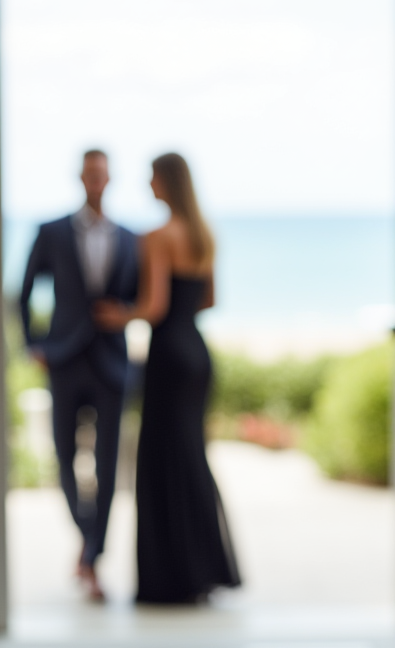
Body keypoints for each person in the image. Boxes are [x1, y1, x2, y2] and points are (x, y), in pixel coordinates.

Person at [94, 153, 241, 603]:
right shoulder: (204, 234)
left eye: (152, 177)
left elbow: (152, 307)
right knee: (193, 456)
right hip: (196, 351)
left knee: (161, 461)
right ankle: (203, 570)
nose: (148, 185)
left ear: (166, 182)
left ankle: (170, 579)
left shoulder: (157, 237)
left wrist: (117, 315)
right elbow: (208, 300)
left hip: (167, 355)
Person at [19, 149, 139, 600]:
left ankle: (90, 557)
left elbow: (140, 296)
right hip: (65, 359)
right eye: (89, 173)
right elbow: (25, 290)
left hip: (110, 362)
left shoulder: (131, 237)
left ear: (110, 179)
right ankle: (90, 541)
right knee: (64, 457)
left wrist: (124, 314)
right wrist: (33, 344)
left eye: (102, 173)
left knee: (109, 465)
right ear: (80, 178)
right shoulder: (50, 232)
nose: (95, 180)